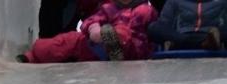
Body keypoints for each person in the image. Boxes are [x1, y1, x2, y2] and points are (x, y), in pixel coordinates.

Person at [18, 0, 159, 63]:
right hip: (98, 47)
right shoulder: (108, 8)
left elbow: (142, 35)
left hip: (130, 50)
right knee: (71, 40)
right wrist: (94, 29)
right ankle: (33, 56)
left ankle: (115, 45)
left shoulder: (144, 10)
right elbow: (91, 19)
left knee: (123, 32)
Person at [148, 0, 227, 51]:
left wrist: (221, 35)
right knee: (153, 27)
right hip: (182, 36)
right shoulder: (174, 1)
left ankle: (209, 41)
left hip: (212, 35)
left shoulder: (224, 1)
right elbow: (163, 24)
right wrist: (173, 36)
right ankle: (203, 43)